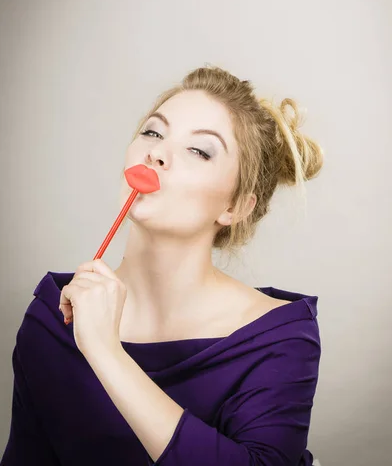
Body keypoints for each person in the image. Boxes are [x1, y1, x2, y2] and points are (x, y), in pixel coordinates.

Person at [1, 64, 324, 465]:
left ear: (235, 206)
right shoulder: (54, 315)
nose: (156, 152)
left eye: (199, 150)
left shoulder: (279, 338)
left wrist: (106, 353)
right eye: (153, 132)